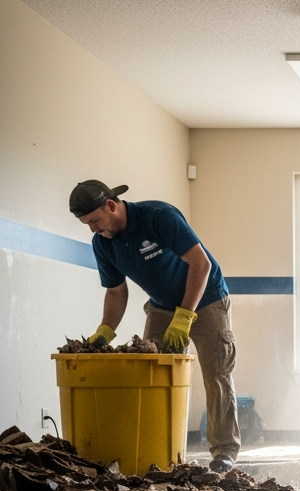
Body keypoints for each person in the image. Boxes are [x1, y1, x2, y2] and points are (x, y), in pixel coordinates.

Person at [69, 180, 240, 472]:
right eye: (87, 224)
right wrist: (105, 330)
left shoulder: (159, 217)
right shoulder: (103, 244)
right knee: (153, 375)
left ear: (111, 205)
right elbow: (115, 291)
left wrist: (185, 316)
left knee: (216, 374)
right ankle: (158, 449)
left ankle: (224, 452)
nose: (93, 229)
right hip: (161, 306)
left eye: (95, 220)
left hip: (207, 298)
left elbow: (201, 264)